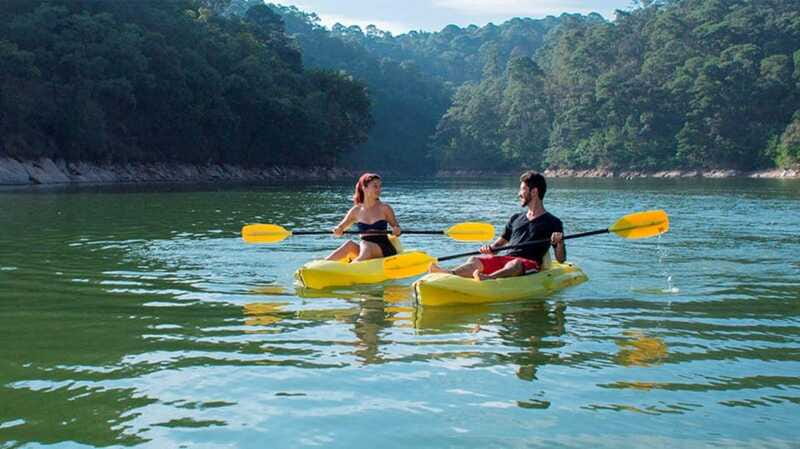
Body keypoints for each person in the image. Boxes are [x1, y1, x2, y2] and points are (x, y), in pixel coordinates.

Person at [429, 171, 565, 281]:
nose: (519, 194)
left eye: (523, 189)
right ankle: (449, 274)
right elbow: (499, 245)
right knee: (475, 260)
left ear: (534, 192)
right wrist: (489, 249)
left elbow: (561, 258)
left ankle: (489, 278)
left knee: (515, 264)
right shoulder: (515, 218)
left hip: (528, 265)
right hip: (505, 260)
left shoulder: (553, 222)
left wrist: (559, 243)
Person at [325, 173, 402, 262]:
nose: (379, 189)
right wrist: (338, 229)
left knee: (366, 245)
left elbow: (396, 228)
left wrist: (397, 230)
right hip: (365, 249)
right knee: (349, 244)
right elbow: (340, 227)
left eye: (380, 186)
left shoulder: (385, 208)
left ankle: (352, 266)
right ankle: (320, 266)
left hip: (384, 248)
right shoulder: (356, 210)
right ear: (364, 188)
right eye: (375, 186)